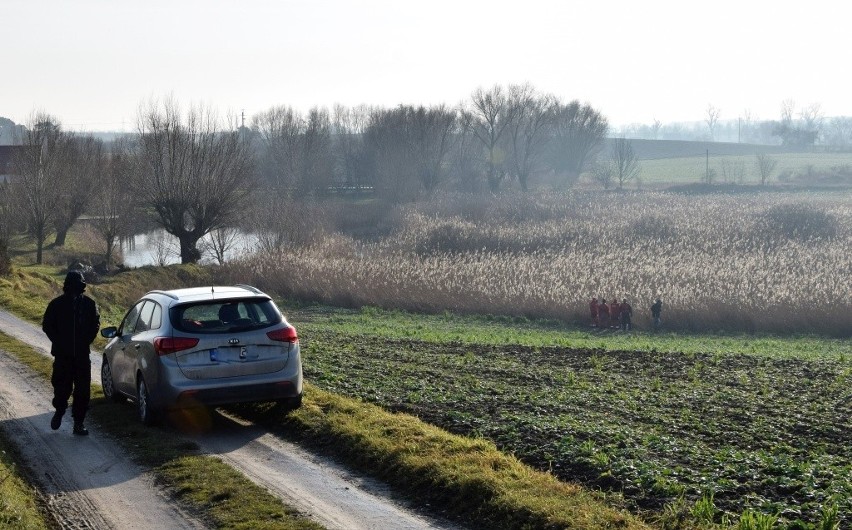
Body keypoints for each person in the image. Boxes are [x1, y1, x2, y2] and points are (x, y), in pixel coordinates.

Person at [42, 271, 100, 435]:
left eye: (78, 286)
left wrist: (86, 340)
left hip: (82, 356)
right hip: (62, 356)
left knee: (83, 391)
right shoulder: (56, 305)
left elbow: (95, 324)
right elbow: (47, 325)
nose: (75, 290)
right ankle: (60, 410)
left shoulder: (89, 304)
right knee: (61, 387)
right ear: (67, 286)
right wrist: (59, 342)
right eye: (72, 286)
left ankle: (78, 423)